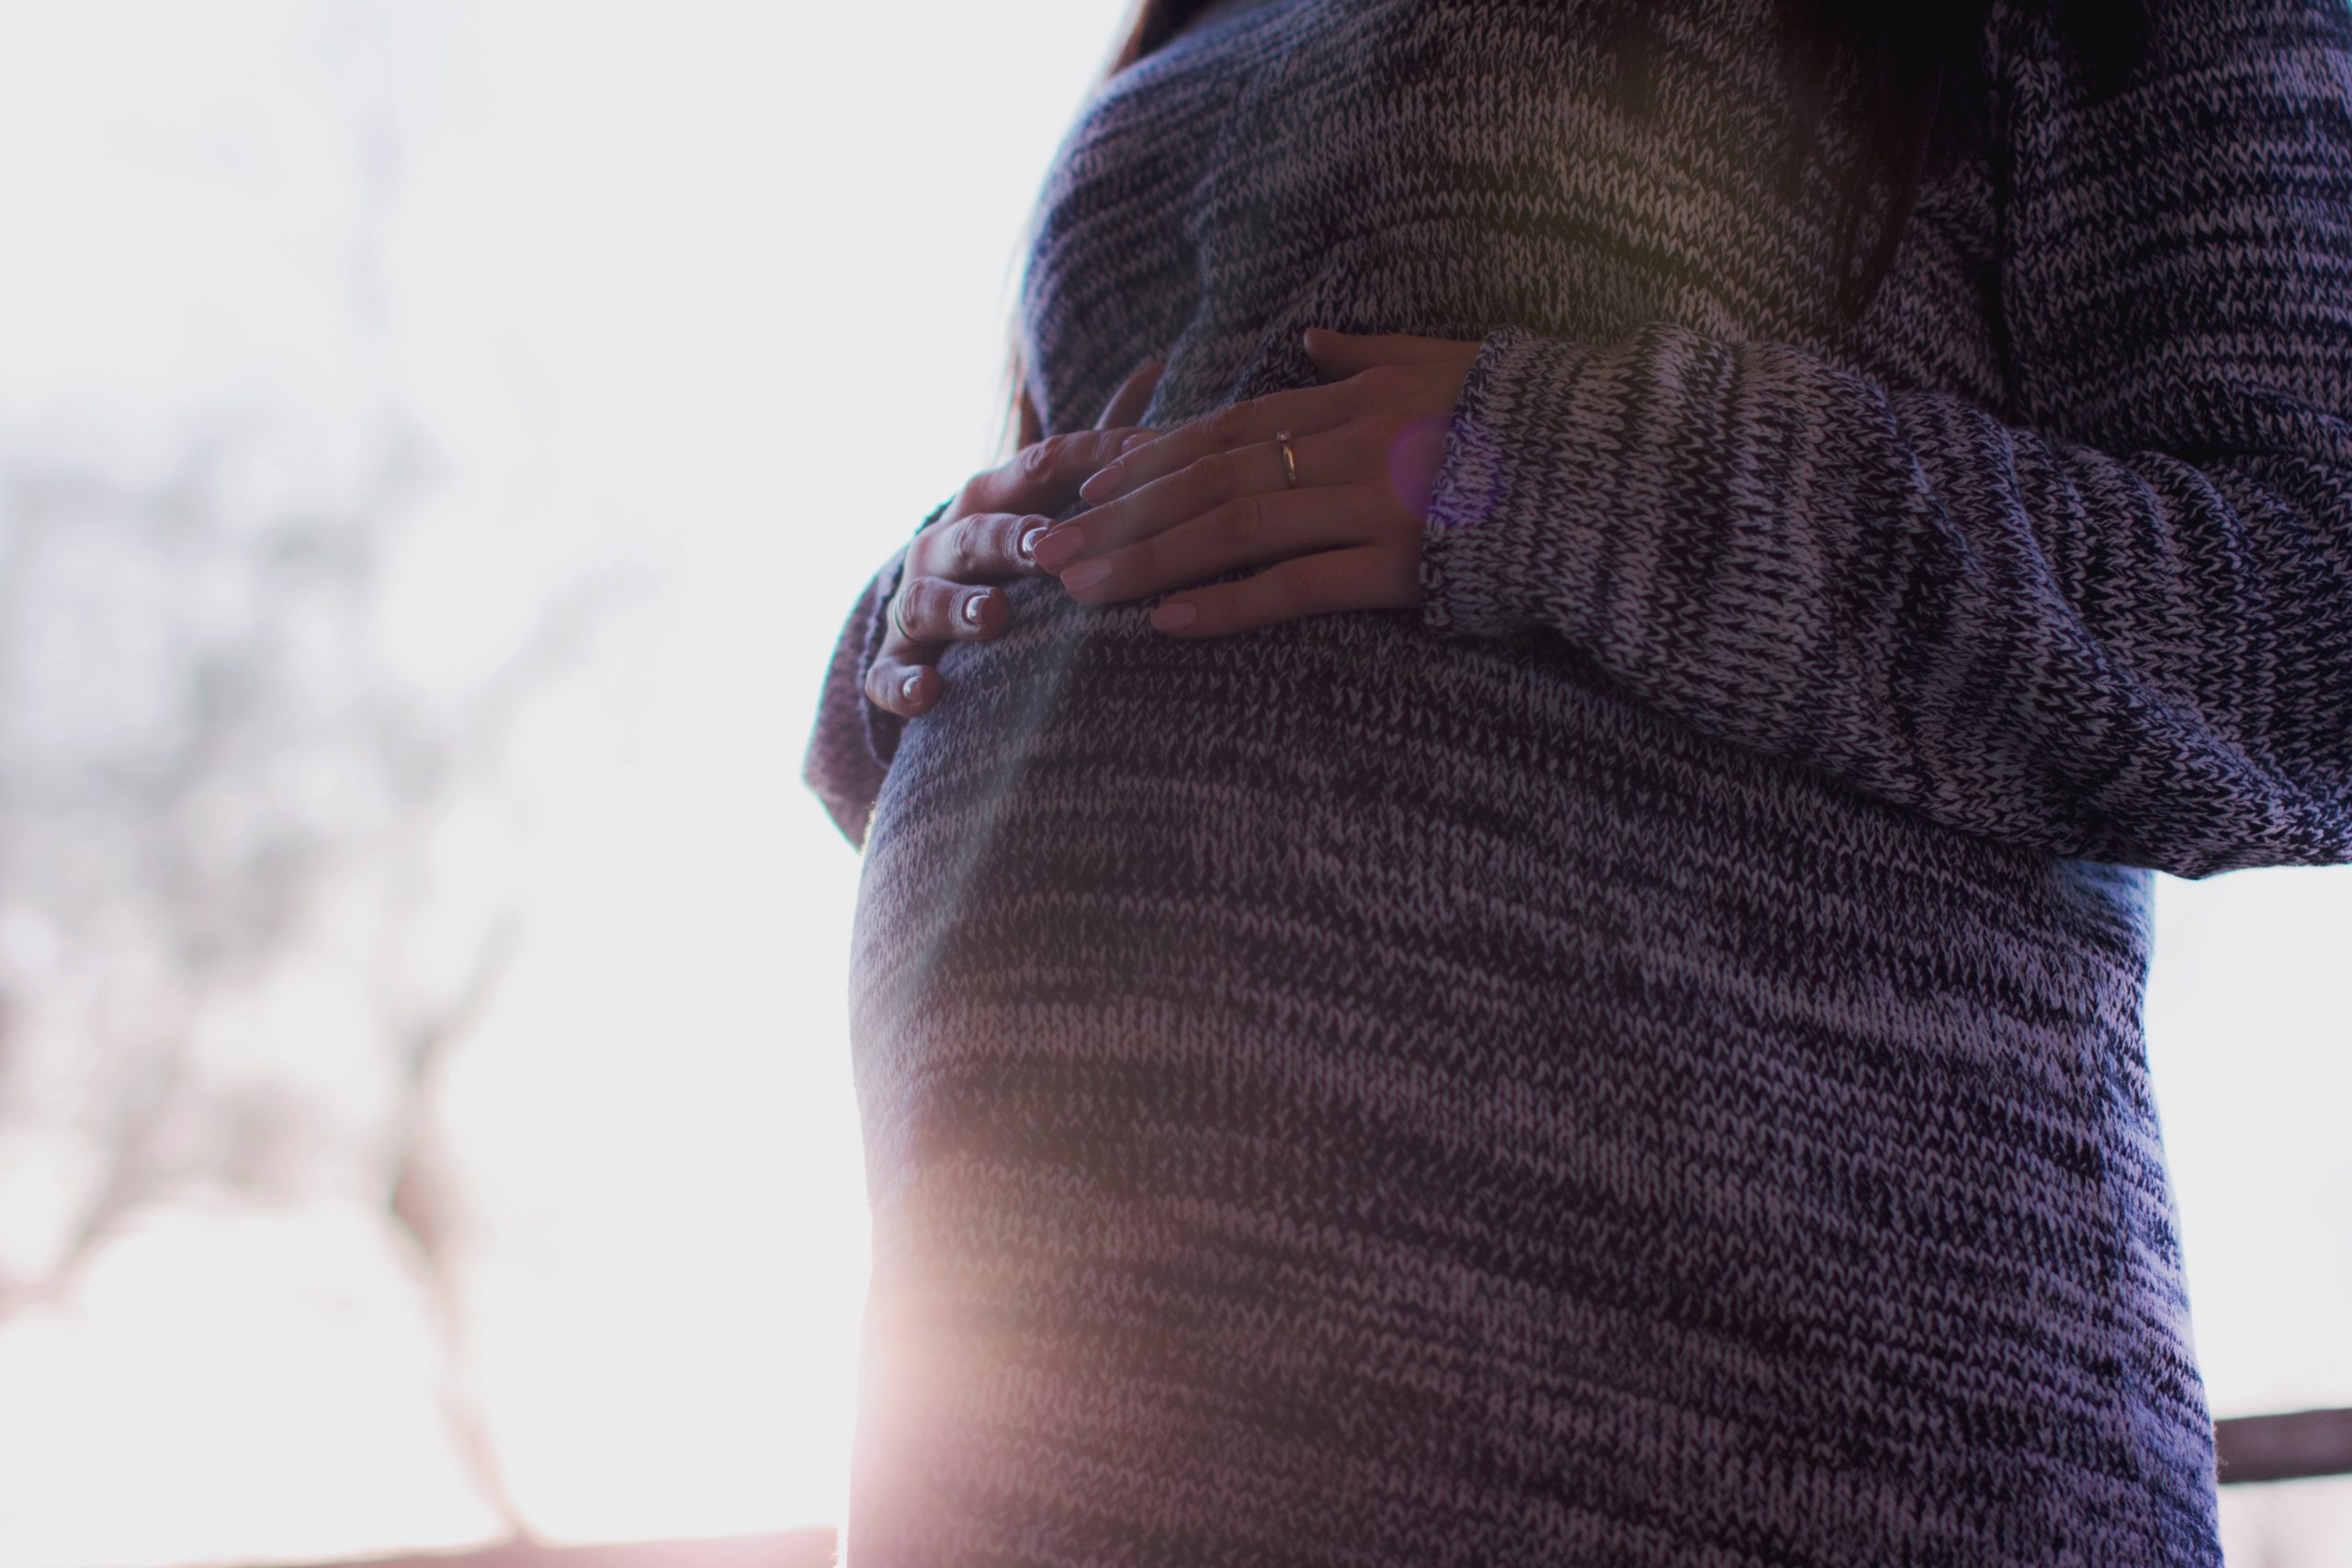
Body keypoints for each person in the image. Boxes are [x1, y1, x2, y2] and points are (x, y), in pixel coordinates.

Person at [802, 0, 2352, 1561]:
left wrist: (1532, 470)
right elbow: (1187, 457)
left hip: (1744, 1402)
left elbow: (2308, 620)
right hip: (1048, 1370)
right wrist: (924, 622)